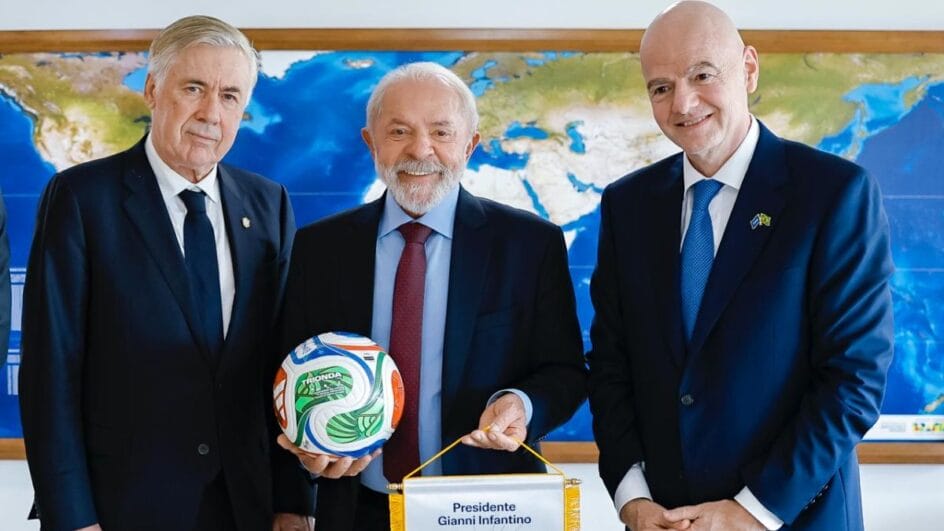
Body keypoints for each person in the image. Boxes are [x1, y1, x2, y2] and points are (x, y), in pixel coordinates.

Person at [587, 2, 894, 530]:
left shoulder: (832, 195)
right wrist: (632, 499)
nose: (683, 102)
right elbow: (613, 365)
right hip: (664, 520)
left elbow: (853, 380)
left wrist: (749, 512)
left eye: (702, 75)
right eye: (660, 87)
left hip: (794, 517)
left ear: (749, 69)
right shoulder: (628, 205)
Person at [18, 15, 310, 531]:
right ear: (153, 89)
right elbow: (50, 372)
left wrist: (294, 503)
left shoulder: (269, 204)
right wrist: (73, 519)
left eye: (229, 96)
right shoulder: (83, 199)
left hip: (247, 505)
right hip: (123, 508)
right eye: (193, 88)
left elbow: (284, 364)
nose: (210, 113)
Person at [273, 61, 588, 531]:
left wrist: (521, 404)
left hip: (487, 511)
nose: (421, 150)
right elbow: (289, 372)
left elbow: (564, 371)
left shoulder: (529, 244)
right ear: (371, 143)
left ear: (470, 144)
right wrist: (307, 454)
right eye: (399, 131)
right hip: (356, 510)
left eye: (441, 132)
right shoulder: (319, 249)